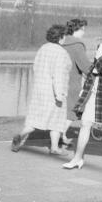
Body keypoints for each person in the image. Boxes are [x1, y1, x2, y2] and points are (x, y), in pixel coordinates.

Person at [11, 25, 72, 155]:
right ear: (60, 37)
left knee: (34, 119)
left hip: (40, 90)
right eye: (64, 36)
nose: (65, 38)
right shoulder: (61, 53)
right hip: (53, 92)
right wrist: (60, 94)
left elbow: (36, 68)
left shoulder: (42, 49)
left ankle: (21, 135)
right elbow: (59, 75)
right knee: (56, 120)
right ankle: (55, 148)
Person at [64, 18, 102, 170]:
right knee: (85, 123)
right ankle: (77, 159)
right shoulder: (101, 46)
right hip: (94, 92)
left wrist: (98, 62)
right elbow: (95, 68)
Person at [60, 19, 91, 146]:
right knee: (73, 111)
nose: (84, 32)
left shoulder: (61, 41)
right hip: (72, 83)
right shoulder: (77, 45)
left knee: (62, 110)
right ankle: (60, 135)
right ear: (77, 29)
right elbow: (85, 67)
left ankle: (60, 136)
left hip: (59, 81)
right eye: (83, 29)